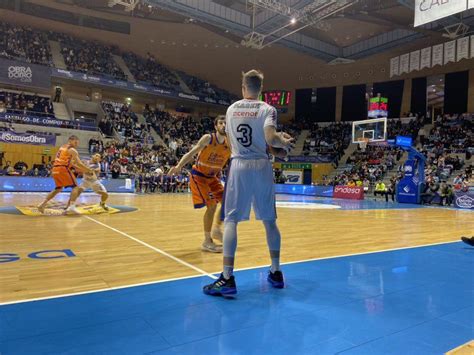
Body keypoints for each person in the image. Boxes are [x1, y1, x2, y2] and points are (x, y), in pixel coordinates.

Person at [203, 70, 294, 297]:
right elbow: (271, 139)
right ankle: (275, 271)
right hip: (262, 166)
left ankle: (227, 277)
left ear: (243, 87)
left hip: (240, 165)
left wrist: (274, 140)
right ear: (260, 89)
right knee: (270, 222)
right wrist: (283, 141)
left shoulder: (231, 109)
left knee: (232, 221)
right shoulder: (267, 109)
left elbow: (241, 140)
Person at [168, 116, 231, 253]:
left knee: (228, 202)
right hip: (199, 176)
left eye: (226, 123)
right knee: (212, 206)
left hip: (213, 177)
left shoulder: (230, 144)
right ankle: (207, 241)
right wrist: (179, 166)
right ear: (216, 126)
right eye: (221, 123)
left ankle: (216, 229)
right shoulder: (208, 138)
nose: (224, 125)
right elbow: (191, 153)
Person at [37, 135, 92, 214]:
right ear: (70, 140)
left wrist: (84, 170)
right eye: (75, 142)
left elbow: (72, 164)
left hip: (55, 169)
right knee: (76, 187)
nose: (76, 144)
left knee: (58, 189)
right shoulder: (72, 150)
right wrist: (88, 170)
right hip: (63, 168)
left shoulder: (62, 148)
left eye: (77, 142)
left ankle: (42, 204)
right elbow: (78, 163)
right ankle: (71, 207)